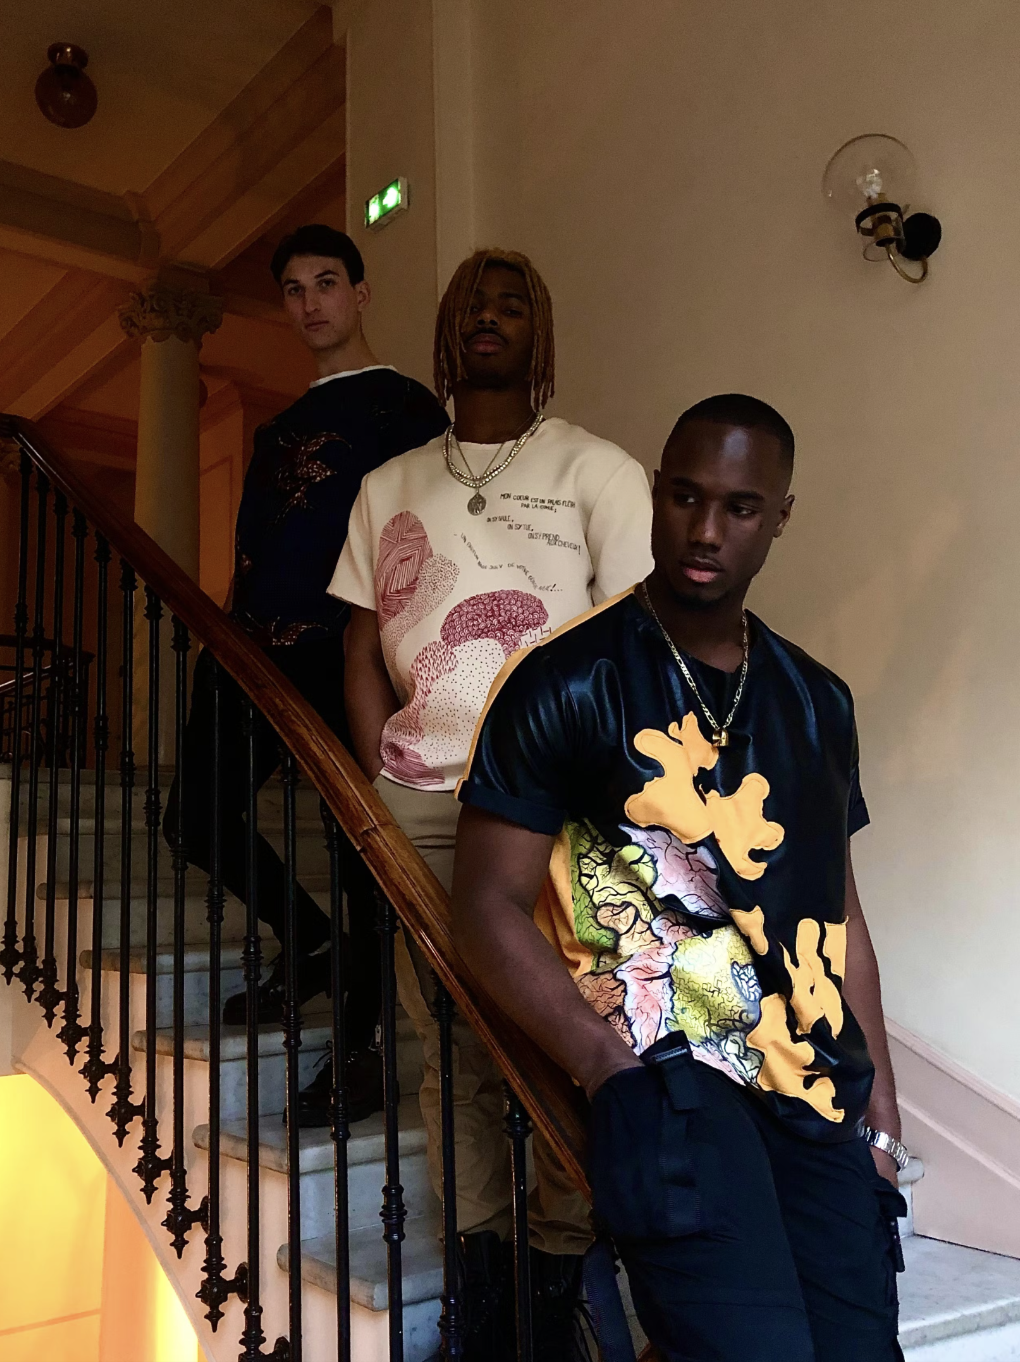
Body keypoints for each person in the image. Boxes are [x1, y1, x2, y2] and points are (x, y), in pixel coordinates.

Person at [453, 393, 908, 1362]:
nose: (706, 531)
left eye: (740, 508)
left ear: (780, 517)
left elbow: (840, 912)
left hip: (814, 1084)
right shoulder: (565, 681)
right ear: (656, 494)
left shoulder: (818, 702)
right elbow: (485, 909)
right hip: (672, 1080)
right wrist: (604, 1066)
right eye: (686, 498)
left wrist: (881, 1106)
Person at [327, 248, 654, 1356]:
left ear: (540, 333)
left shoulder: (597, 469)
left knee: (562, 1029)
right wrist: (376, 776)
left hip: (552, 807)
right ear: (444, 330)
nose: (489, 317)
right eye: (472, 303)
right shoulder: (389, 485)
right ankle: (479, 1275)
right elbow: (362, 643)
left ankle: (555, 1269)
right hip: (419, 801)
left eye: (512, 304)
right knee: (447, 1039)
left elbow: (632, 646)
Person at [163, 225, 449, 1126]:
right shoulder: (279, 427)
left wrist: (400, 662)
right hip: (248, 651)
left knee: (361, 853)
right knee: (193, 817)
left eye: (327, 282)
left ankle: (361, 1054)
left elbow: (426, 539)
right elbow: (259, 547)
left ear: (360, 293)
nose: (310, 302)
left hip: (344, 654)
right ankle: (312, 940)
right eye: (293, 289)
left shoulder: (404, 408)